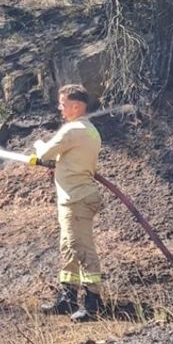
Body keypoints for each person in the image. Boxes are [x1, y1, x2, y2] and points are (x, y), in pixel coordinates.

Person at [28, 84, 104, 322]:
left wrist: (38, 147)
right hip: (74, 198)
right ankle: (67, 298)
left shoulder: (72, 130)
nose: (59, 108)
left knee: (81, 249)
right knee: (68, 248)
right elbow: (70, 159)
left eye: (62, 104)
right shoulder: (89, 130)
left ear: (75, 106)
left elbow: (44, 153)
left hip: (76, 200)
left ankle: (93, 303)